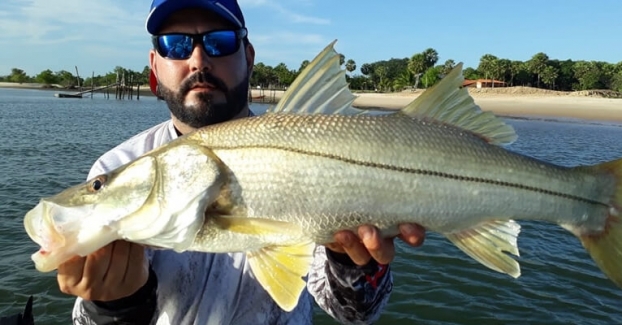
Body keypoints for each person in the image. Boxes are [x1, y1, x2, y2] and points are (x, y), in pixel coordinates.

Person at [56, 1, 426, 324]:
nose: (198, 59)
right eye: (176, 44)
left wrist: (353, 263)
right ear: (155, 64)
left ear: (248, 56)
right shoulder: (122, 165)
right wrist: (116, 308)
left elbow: (358, 314)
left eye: (220, 41)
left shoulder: (316, 141)